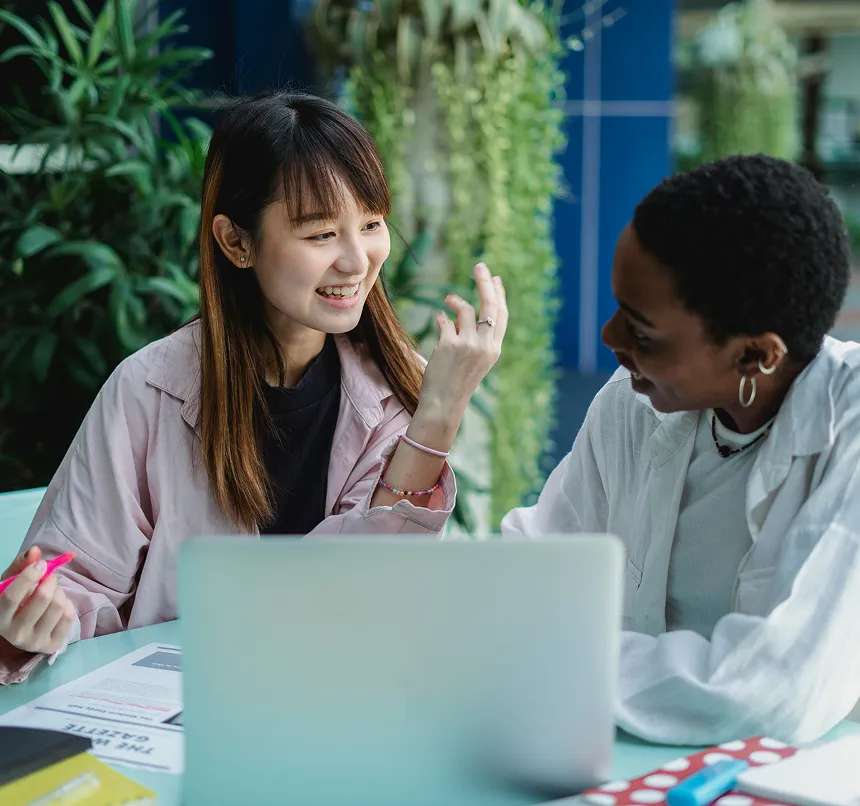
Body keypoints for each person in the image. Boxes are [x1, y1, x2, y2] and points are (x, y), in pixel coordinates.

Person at [0, 92, 508, 684]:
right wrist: (33, 617)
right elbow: (75, 580)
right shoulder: (147, 392)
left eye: (370, 224)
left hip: (339, 701)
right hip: (173, 716)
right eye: (320, 234)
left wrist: (438, 416)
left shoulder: (396, 392)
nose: (356, 260)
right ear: (236, 242)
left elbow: (366, 595)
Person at [504, 154, 860, 745]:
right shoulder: (634, 397)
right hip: (625, 756)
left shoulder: (848, 430)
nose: (609, 339)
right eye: (619, 308)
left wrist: (544, 662)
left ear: (756, 356)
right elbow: (541, 567)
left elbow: (771, 691)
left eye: (641, 331)